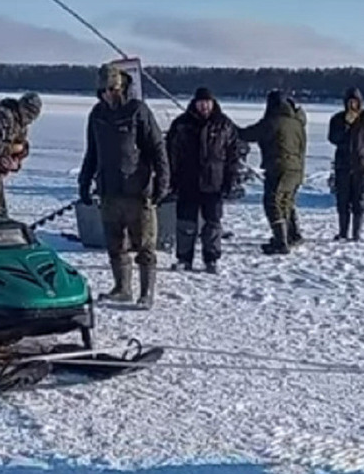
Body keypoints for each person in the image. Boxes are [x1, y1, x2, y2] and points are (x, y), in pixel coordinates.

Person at [78, 64, 170, 309]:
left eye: (113, 89)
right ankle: (122, 288)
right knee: (115, 244)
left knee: (145, 245)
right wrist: (84, 181)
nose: (109, 94)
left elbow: (157, 148)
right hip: (109, 190)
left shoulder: (138, 111)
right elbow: (92, 152)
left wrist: (162, 182)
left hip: (137, 192)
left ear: (122, 87)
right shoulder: (97, 114)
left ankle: (146, 292)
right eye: (104, 90)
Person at [166, 87, 241, 273]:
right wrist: (171, 179)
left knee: (213, 223)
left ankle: (211, 259)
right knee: (185, 223)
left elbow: (233, 155)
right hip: (187, 181)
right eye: (201, 102)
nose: (204, 106)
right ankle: (184, 258)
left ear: (213, 103)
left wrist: (230, 180)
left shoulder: (224, 124)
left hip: (214, 182)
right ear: (195, 103)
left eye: (207, 102)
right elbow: (170, 154)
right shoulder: (181, 124)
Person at [239, 89, 306, 255]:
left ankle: (280, 241)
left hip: (279, 167)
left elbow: (248, 134)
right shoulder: (297, 122)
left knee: (272, 202)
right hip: (296, 169)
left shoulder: (273, 121)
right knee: (286, 202)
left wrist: (227, 126)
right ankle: (293, 235)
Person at [328, 87, 364, 241]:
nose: (352, 105)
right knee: (342, 200)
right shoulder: (337, 119)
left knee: (359, 200)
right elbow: (333, 138)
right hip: (343, 165)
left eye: (355, 102)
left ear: (360, 102)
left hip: (361, 165)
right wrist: (346, 124)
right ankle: (343, 232)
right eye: (350, 102)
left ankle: (356, 234)